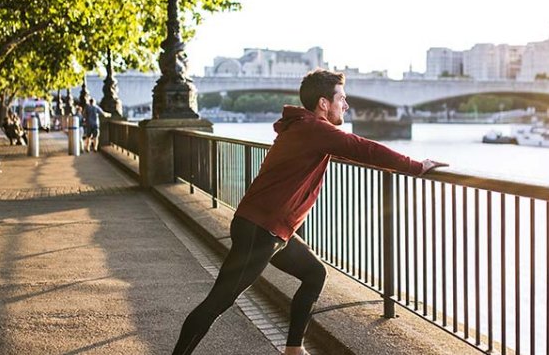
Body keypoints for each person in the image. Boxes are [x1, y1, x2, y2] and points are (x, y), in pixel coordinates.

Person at [171, 69, 447, 355]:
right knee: (219, 301)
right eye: (342, 98)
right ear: (324, 103)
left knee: (314, 273)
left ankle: (293, 349)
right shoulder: (313, 129)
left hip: (271, 230)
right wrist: (416, 166)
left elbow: (355, 151)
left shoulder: (308, 129)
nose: (346, 105)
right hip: (261, 229)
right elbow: (361, 147)